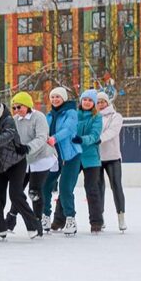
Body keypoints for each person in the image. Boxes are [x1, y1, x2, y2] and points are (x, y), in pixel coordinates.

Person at [0, 93, 41, 240]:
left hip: (15, 162)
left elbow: (8, 135)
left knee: (15, 195)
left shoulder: (7, 119)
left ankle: (34, 226)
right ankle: (0, 228)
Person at [5, 92, 56, 234]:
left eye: (19, 107)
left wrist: (27, 148)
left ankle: (37, 222)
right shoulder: (14, 120)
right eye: (14, 107)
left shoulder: (38, 117)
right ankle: (10, 220)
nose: (16, 110)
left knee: (34, 191)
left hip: (41, 157)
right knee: (17, 191)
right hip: (24, 159)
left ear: (27, 105)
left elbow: (41, 138)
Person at [41, 87, 83, 236]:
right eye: (52, 97)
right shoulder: (50, 115)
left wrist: (54, 138)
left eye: (58, 97)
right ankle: (45, 216)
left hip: (70, 155)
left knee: (65, 188)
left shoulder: (71, 113)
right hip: (54, 156)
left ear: (64, 98)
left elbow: (68, 130)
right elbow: (43, 130)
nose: (55, 100)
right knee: (45, 185)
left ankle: (70, 219)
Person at [74, 89, 104, 234]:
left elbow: (94, 136)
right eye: (84, 99)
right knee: (66, 187)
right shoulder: (74, 115)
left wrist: (81, 139)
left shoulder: (97, 118)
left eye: (89, 100)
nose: (86, 102)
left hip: (91, 158)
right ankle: (59, 220)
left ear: (93, 103)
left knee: (92, 189)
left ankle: (96, 222)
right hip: (74, 155)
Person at [96, 92, 126, 231]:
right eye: (98, 102)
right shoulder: (93, 117)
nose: (100, 104)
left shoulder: (116, 116)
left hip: (112, 157)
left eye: (103, 102)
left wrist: (98, 139)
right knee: (98, 189)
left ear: (107, 103)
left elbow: (113, 131)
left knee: (116, 186)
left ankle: (121, 216)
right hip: (96, 158)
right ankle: (100, 218)